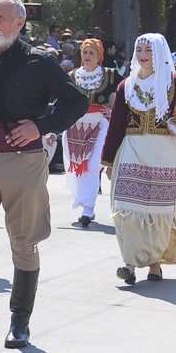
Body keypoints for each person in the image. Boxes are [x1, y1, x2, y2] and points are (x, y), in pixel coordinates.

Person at [0, 0, 88, 352]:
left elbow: (77, 101)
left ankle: (19, 323)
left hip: (24, 162)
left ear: (19, 24)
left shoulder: (38, 61)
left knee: (24, 243)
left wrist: (42, 126)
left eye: (0, 17)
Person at [100, 34, 176, 285]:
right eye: (139, 49)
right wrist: (107, 161)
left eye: (148, 50)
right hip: (132, 150)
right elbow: (116, 125)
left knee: (157, 212)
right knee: (127, 208)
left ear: (159, 52)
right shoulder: (126, 85)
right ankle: (129, 264)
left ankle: (154, 265)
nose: (143, 55)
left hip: (164, 153)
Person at [63, 37, 120, 229]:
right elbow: (61, 101)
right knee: (77, 167)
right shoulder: (72, 76)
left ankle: (87, 207)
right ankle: (86, 201)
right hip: (75, 127)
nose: (87, 56)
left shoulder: (110, 75)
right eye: (85, 52)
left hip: (101, 124)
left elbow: (125, 95)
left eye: (92, 53)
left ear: (99, 55)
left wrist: (114, 112)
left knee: (93, 163)